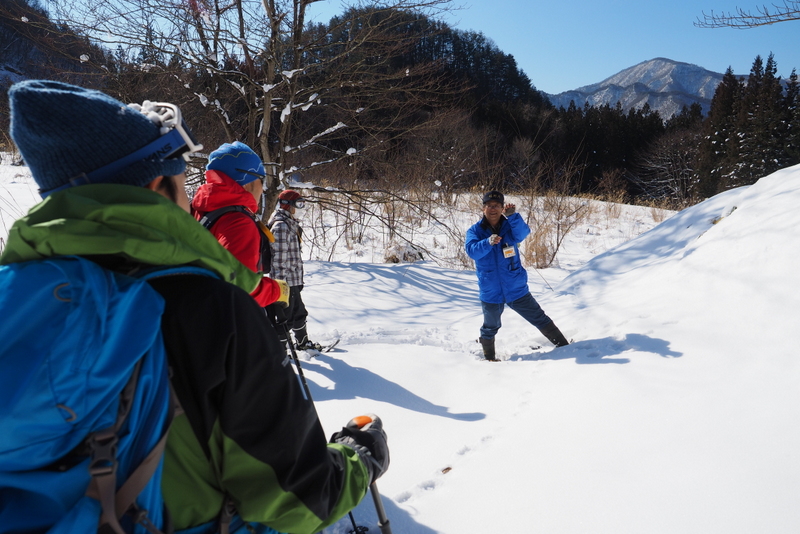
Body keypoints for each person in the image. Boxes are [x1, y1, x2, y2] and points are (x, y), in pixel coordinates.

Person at [2, 80, 388, 533]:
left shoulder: (14, 293)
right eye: (184, 181)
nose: (191, 199)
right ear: (156, 184)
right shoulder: (208, 309)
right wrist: (360, 456)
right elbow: (302, 499)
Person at [465, 190, 569, 361]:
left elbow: (522, 234)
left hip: (515, 287)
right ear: (483, 208)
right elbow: (472, 252)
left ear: (501, 208)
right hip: (491, 290)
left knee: (538, 317)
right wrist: (487, 242)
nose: (493, 209)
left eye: (497, 206)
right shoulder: (475, 231)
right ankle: (489, 358)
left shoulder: (509, 226)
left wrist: (512, 217)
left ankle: (565, 347)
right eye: (489, 206)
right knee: (490, 327)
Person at [191, 141, 289, 308]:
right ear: (246, 181)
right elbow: (240, 291)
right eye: (260, 179)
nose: (262, 188)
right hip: (223, 326)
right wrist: (277, 290)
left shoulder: (199, 210)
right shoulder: (238, 223)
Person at [267, 189, 321, 350]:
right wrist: (280, 287)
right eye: (298, 204)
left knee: (299, 313)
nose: (298, 209)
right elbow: (278, 259)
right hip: (285, 282)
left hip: (294, 280)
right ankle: (279, 352)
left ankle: (302, 343)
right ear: (288, 206)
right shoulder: (281, 226)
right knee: (286, 319)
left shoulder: (289, 223)